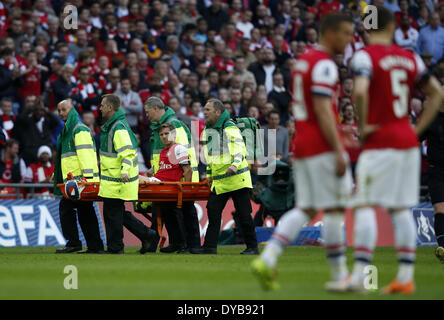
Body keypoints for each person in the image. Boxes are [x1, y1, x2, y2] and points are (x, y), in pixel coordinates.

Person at [341, 7, 444, 294]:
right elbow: (437, 94)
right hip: (407, 140)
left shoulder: (365, 56)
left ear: (371, 28)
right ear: (392, 27)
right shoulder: (409, 57)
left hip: (380, 141)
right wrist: (417, 129)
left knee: (363, 204)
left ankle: (361, 275)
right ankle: (405, 277)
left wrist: (364, 124)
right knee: (400, 209)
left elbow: (359, 91)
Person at [251, 13, 354, 291]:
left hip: (304, 145)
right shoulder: (324, 65)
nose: (349, 40)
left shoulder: (304, 63)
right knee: (334, 209)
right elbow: (322, 108)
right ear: (330, 33)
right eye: (345, 33)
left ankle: (268, 259)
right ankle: (340, 274)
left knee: (307, 208)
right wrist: (337, 148)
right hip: (322, 146)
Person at [98, 94, 156, 254]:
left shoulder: (117, 127)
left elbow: (128, 153)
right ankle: (146, 234)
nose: (100, 108)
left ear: (110, 107)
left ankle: (116, 247)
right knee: (116, 213)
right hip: (114, 179)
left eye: (102, 105)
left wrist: (124, 171)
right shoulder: (114, 126)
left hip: (118, 179)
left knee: (113, 213)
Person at [144, 97, 201, 254]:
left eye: (147, 112)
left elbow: (180, 152)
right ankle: (178, 243)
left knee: (186, 212)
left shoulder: (174, 125)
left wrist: (183, 182)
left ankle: (193, 245)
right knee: (171, 213)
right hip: (167, 178)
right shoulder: (162, 127)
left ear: (155, 109)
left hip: (180, 179)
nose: (146, 115)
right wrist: (154, 169)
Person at [202, 98, 258, 255]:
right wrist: (209, 175)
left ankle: (253, 247)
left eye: (208, 110)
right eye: (204, 109)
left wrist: (235, 164)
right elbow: (210, 156)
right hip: (221, 181)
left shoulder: (229, 126)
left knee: (244, 215)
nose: (204, 112)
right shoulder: (208, 130)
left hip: (237, 178)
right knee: (212, 212)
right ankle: (209, 248)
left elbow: (239, 148)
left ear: (218, 112)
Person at [53, 99, 104, 254]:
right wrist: (57, 174)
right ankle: (93, 245)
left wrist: (88, 180)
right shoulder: (69, 130)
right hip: (73, 181)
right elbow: (68, 158)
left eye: (64, 110)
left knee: (70, 209)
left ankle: (76, 243)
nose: (61, 113)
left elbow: (87, 156)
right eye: (59, 110)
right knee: (84, 211)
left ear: (72, 109)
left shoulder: (78, 130)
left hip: (79, 181)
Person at [140, 123, 194, 252]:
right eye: (161, 135)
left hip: (166, 186)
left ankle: (180, 244)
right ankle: (176, 244)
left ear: (174, 134)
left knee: (133, 177)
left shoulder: (178, 149)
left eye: (166, 134)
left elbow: (188, 171)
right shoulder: (164, 151)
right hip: (161, 184)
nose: (164, 137)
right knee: (169, 217)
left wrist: (186, 191)